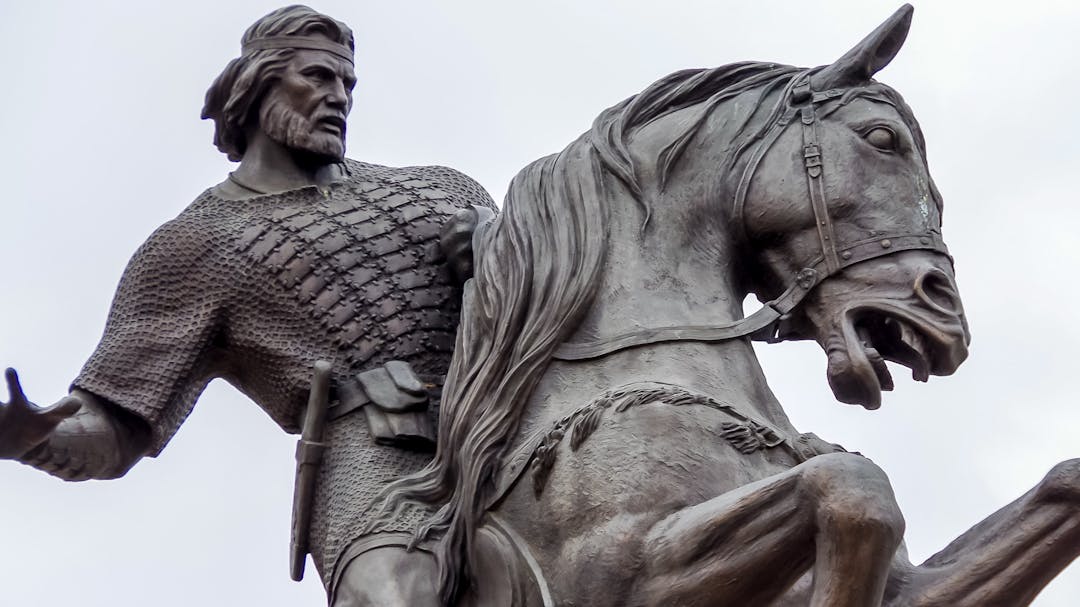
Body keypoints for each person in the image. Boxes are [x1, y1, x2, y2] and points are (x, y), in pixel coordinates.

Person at [0, 5, 494, 605]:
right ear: (256, 85)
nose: (339, 97)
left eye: (348, 83)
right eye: (317, 77)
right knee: (393, 595)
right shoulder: (197, 244)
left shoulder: (441, 189)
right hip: (378, 459)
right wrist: (32, 437)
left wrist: (499, 248)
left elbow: (555, 291)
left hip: (506, 414)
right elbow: (115, 421)